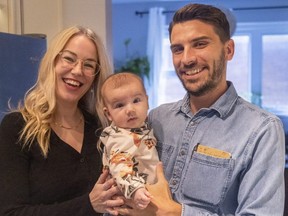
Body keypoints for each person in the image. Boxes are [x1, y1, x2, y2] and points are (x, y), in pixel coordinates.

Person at [117, 3, 286, 216]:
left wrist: (176, 213)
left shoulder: (262, 130)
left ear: (229, 50)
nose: (187, 59)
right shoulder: (157, 118)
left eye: (199, 44)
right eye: (178, 49)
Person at [0, 26, 124, 216]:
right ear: (52, 62)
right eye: (69, 58)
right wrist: (88, 204)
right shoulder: (17, 128)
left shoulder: (101, 130)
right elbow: (10, 213)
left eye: (89, 65)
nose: (77, 70)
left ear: (95, 77)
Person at [99, 72, 159, 210]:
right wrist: (136, 190)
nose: (130, 110)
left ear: (147, 102)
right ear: (108, 114)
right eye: (120, 105)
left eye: (136, 101)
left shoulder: (138, 128)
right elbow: (120, 167)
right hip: (131, 200)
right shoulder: (119, 138)